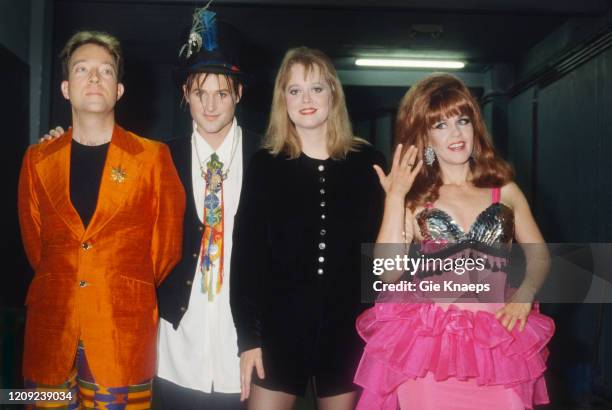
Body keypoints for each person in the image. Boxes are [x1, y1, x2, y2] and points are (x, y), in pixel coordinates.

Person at [353, 73, 555, 409]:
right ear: (425, 136)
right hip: (431, 350)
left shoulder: (505, 191)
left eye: (462, 120)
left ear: (475, 125)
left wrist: (525, 295)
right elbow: (387, 272)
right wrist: (395, 198)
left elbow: (541, 258)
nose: (456, 133)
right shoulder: (415, 199)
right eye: (440, 125)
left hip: (497, 343)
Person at [18, 31, 185, 409]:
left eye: (105, 71)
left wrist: (118, 283)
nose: (94, 78)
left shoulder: (153, 158)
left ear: (119, 89)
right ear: (65, 87)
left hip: (122, 335)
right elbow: (35, 246)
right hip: (49, 334)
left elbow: (166, 249)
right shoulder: (37, 159)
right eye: (82, 69)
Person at [230, 47, 385, 410]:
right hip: (278, 333)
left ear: (334, 93)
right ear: (282, 99)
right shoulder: (265, 165)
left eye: (316, 88)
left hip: (350, 333)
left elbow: (384, 255)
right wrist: (247, 339)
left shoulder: (369, 162)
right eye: (294, 90)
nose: (306, 99)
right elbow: (246, 259)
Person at [154, 6, 260, 410]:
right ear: (185, 95)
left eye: (221, 93)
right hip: (177, 345)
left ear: (239, 93)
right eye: (200, 93)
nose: (211, 105)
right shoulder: (160, 158)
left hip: (246, 347)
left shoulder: (266, 157)